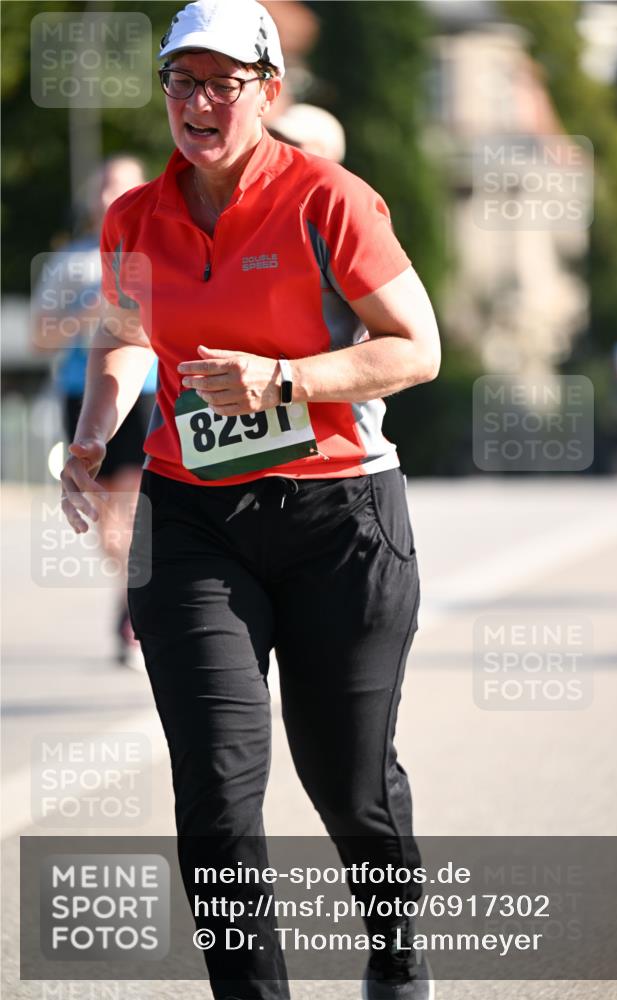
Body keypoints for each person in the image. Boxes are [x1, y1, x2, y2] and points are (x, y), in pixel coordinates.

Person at [59, 1, 440, 997]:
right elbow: (123, 336)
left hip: (338, 519)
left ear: (266, 91)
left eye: (222, 82)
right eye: (181, 81)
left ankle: (397, 963)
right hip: (192, 519)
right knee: (218, 795)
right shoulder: (135, 216)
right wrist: (95, 436)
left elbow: (417, 348)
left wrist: (287, 380)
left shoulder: (329, 198)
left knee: (349, 787)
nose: (198, 102)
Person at [33, 155, 158, 666]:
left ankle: (135, 612)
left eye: (123, 186)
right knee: (107, 522)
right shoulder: (71, 263)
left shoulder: (155, 252)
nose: (111, 196)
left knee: (130, 509)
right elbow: (38, 338)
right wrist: (88, 311)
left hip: (144, 394)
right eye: (105, 186)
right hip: (80, 397)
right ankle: (131, 598)